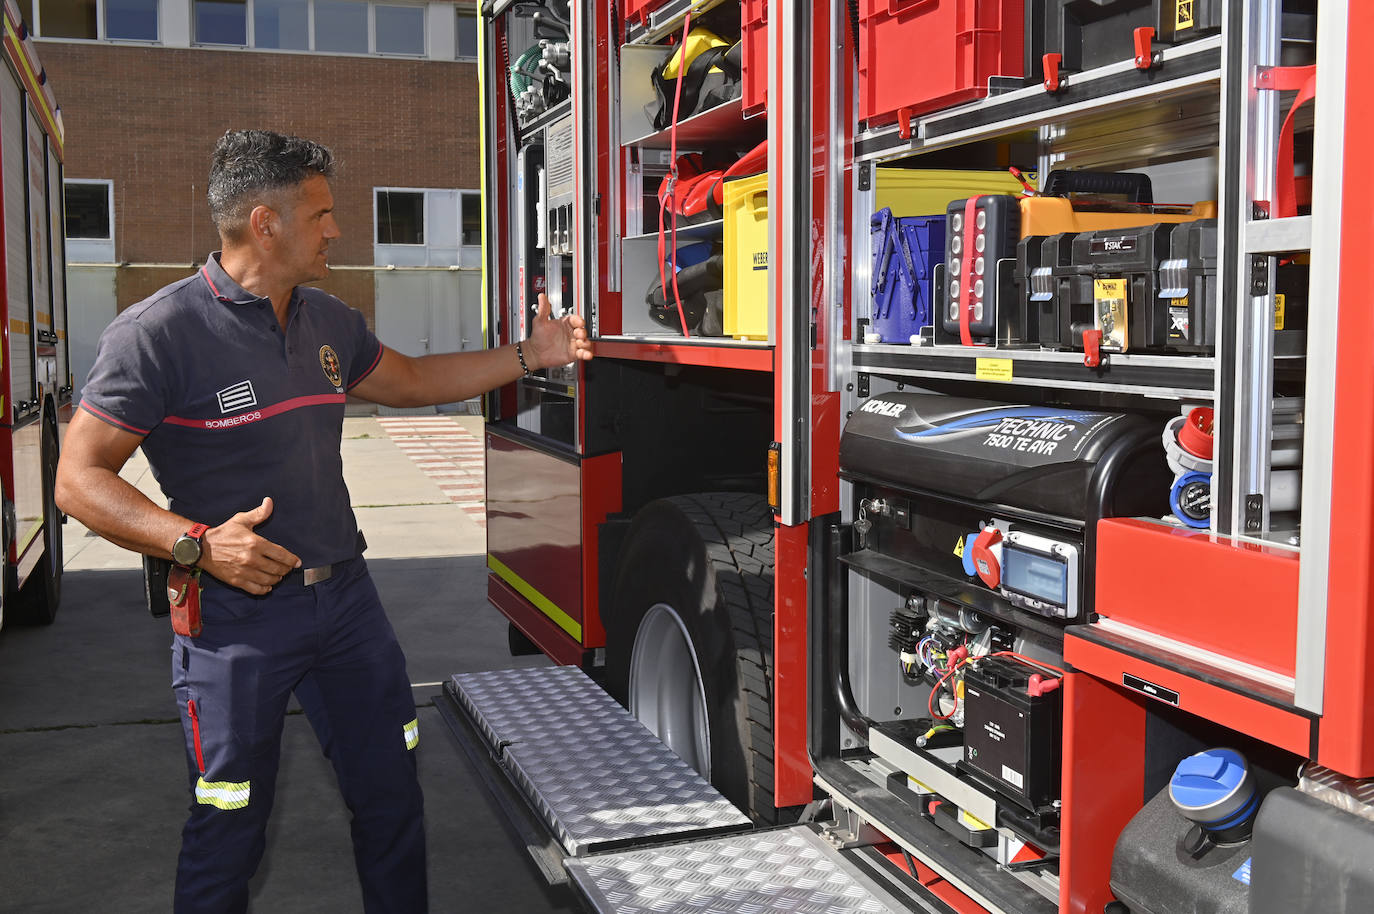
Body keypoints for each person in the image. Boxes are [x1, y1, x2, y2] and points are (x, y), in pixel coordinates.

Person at [54, 129, 592, 914]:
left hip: (346, 606)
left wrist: (530, 355)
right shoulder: (157, 335)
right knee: (229, 824)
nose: (338, 230)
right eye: (322, 214)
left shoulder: (327, 321)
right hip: (234, 624)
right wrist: (195, 544)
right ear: (265, 223)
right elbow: (77, 479)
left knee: (392, 801)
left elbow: (409, 380)